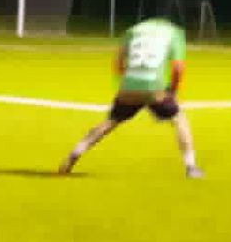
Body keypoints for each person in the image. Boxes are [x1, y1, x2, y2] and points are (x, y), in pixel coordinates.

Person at [58, 16, 201, 178]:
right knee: (179, 119)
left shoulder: (133, 30)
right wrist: (172, 92)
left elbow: (118, 63)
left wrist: (128, 83)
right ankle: (191, 167)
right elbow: (178, 68)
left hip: (129, 85)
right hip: (154, 87)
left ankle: (73, 155)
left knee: (110, 122)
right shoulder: (174, 32)